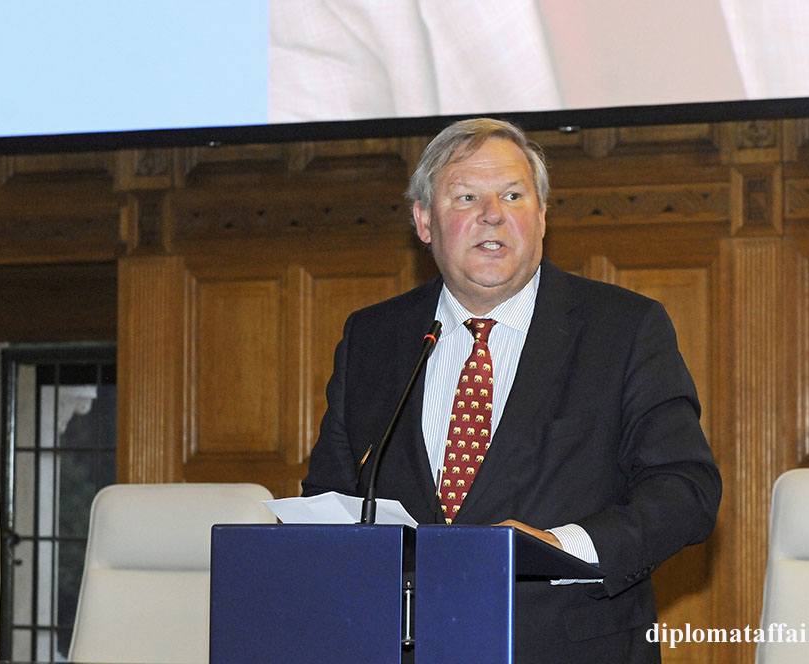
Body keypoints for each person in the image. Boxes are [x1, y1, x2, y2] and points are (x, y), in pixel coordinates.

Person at [302, 117, 722, 664]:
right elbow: (329, 495)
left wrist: (564, 546)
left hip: (565, 648)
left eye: (513, 195)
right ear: (424, 221)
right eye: (466, 197)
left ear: (542, 216)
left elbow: (685, 491)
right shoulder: (374, 337)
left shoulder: (623, 329)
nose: (492, 214)